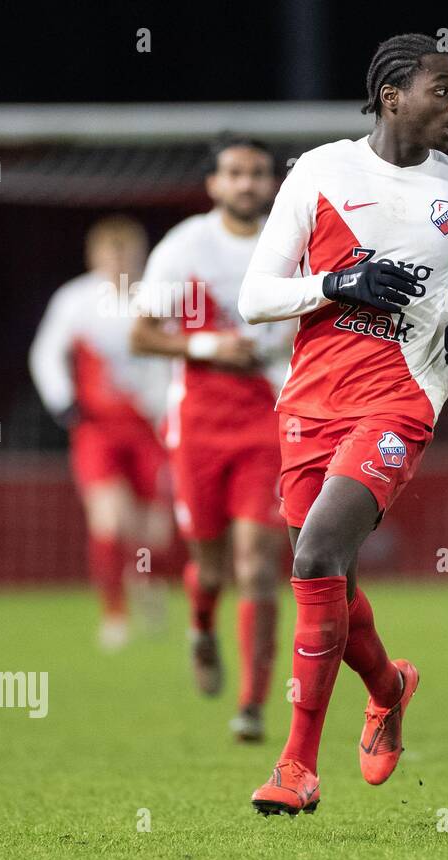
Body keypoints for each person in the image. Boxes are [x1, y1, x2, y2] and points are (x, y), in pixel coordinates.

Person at [237, 33, 448, 814]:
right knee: (332, 580)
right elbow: (258, 295)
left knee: (318, 553)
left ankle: (296, 767)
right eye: (442, 91)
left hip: (402, 398)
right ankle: (389, 688)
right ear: (393, 97)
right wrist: (339, 281)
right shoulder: (321, 172)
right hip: (309, 403)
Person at [131, 136, 293, 742]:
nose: (247, 183)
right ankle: (201, 626)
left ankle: (251, 705)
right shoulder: (185, 247)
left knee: (257, 563)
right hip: (197, 423)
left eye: (258, 172)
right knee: (210, 562)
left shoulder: (294, 244)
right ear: (213, 185)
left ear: (273, 183)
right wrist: (208, 346)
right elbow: (142, 336)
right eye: (235, 173)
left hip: (268, 420)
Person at [30, 216, 172, 650]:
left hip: (150, 427)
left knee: (155, 531)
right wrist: (63, 401)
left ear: (142, 255)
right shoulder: (74, 300)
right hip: (97, 428)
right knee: (109, 518)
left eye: (127, 252)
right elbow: (45, 352)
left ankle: (145, 581)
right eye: (110, 254)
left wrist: (172, 405)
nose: (118, 261)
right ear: (94, 257)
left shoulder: (160, 298)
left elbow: (178, 360)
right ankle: (114, 613)